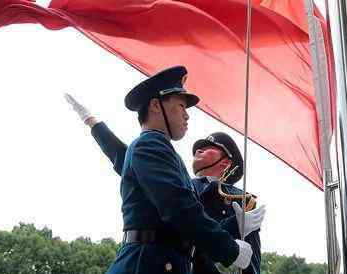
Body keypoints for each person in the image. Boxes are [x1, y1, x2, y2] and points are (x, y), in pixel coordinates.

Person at [76, 65, 263, 274]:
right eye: (181, 106)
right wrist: (229, 249)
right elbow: (179, 207)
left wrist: (233, 226)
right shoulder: (150, 145)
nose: (187, 115)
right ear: (156, 106)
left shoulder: (160, 150)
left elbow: (186, 227)